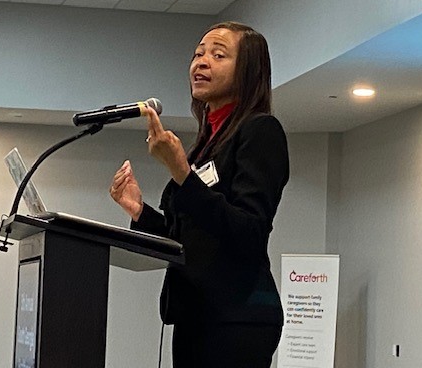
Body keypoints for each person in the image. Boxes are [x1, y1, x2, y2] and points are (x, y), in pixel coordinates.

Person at [109, 21, 289, 368]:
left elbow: (249, 231)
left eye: (218, 55)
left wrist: (181, 173)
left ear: (248, 71)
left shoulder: (261, 131)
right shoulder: (207, 143)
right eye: (198, 54)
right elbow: (189, 239)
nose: (201, 62)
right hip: (196, 314)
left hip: (237, 317)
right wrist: (139, 211)